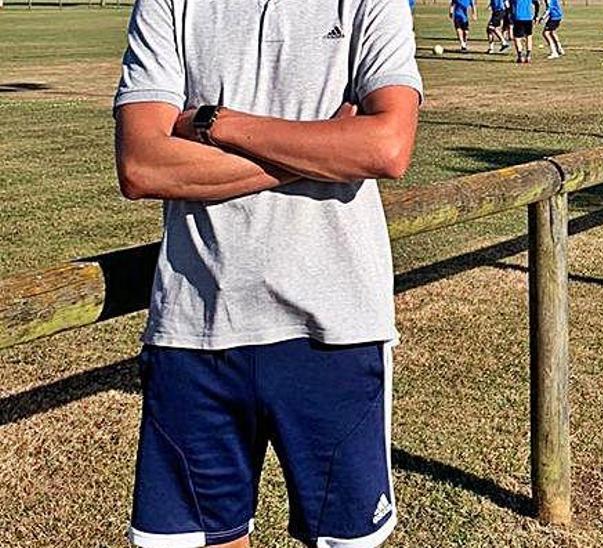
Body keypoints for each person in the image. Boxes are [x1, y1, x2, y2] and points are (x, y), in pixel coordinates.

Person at [112, 0, 422, 545]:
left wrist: (216, 124)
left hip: (333, 327)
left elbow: (387, 147)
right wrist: (322, 147)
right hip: (195, 325)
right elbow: (142, 164)